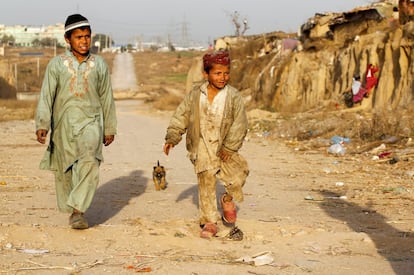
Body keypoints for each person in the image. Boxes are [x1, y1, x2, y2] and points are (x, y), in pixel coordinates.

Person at [35, 14, 117, 230]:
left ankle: (79, 211)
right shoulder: (57, 65)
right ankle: (73, 209)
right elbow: (47, 95)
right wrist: (42, 124)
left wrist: (109, 127)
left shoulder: (99, 64)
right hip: (63, 126)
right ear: (67, 39)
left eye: (87, 37)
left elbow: (106, 97)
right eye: (79, 37)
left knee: (90, 162)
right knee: (66, 171)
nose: (84, 41)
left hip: (91, 123)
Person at [163, 50, 249, 238]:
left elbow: (240, 123)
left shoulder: (233, 96)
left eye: (226, 73)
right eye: (218, 73)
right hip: (202, 146)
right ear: (206, 74)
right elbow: (182, 116)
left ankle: (227, 199)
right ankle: (209, 221)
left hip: (224, 147)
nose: (223, 77)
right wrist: (172, 137)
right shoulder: (195, 94)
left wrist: (229, 146)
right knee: (206, 182)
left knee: (238, 175)